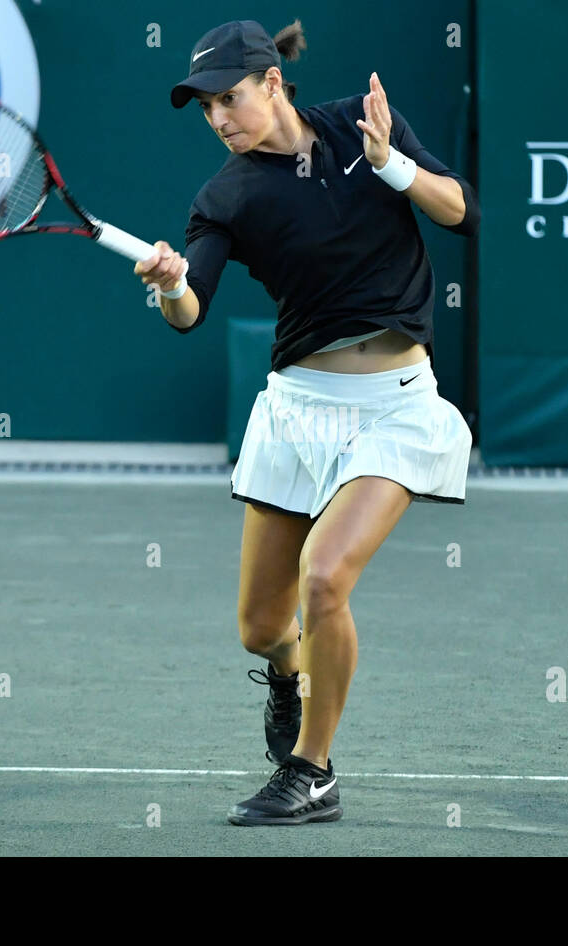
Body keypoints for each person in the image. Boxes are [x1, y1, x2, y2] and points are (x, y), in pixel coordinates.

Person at [135, 18, 480, 825]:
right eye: (205, 108)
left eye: (230, 97)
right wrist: (168, 283)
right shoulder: (225, 197)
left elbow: (463, 211)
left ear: (273, 84)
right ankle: (288, 676)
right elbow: (191, 313)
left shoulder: (361, 126)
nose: (219, 118)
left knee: (325, 579)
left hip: (396, 405)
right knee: (261, 628)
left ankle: (312, 770)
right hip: (298, 413)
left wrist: (395, 166)